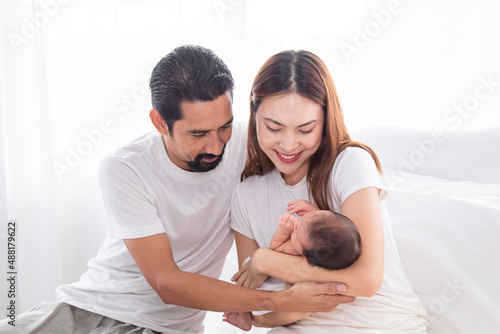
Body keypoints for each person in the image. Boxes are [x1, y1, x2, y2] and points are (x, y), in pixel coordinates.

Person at [0, 46, 354, 334]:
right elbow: (166, 282)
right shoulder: (124, 168)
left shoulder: (253, 144)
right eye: (198, 134)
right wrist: (277, 303)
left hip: (162, 327)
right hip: (85, 307)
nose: (217, 146)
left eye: (225, 127)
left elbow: (312, 144)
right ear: (159, 123)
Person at [229, 50, 428, 333]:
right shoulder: (246, 196)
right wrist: (281, 302)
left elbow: (367, 280)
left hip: (380, 323)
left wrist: (266, 260)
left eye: (305, 129)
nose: (288, 145)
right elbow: (252, 305)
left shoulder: (350, 164)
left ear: (325, 121)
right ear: (254, 118)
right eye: (273, 128)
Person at [223, 200, 362, 331]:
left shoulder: (294, 249)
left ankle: (244, 318)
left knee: (245, 286)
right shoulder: (321, 246)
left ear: (306, 259)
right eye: (304, 219)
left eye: (296, 232)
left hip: (272, 290)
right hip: (287, 291)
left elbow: (275, 248)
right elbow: (324, 227)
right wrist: (313, 212)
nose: (296, 223)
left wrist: (283, 231)